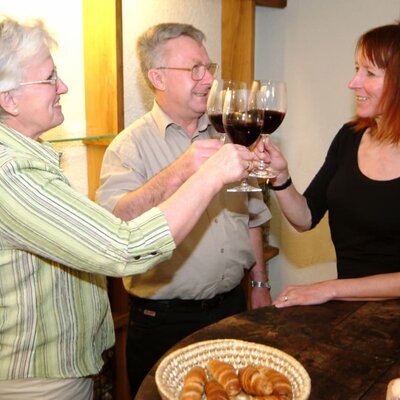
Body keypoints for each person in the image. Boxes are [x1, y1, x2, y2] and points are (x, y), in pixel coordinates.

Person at [0, 16, 256, 400]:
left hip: (64, 369)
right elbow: (124, 245)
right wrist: (203, 175)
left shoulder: (33, 160)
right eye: (51, 77)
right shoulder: (13, 171)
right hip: (39, 381)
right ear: (9, 98)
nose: (64, 86)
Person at [96, 22, 272, 396]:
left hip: (234, 308)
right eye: (194, 70)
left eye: (210, 68)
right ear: (157, 77)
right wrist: (179, 171)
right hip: (164, 321)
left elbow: (251, 218)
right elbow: (114, 224)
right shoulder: (129, 147)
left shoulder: (228, 131)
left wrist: (259, 285)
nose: (208, 79)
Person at [261, 22, 400, 308]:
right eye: (356, 69)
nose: (353, 83)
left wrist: (330, 289)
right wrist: (280, 177)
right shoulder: (349, 137)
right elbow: (305, 218)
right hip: (350, 312)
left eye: (370, 73)